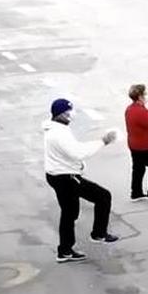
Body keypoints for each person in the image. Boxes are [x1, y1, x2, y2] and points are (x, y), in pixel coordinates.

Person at [43, 98, 119, 262]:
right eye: (68, 113)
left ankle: (65, 250)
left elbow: (74, 150)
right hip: (66, 177)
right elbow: (78, 153)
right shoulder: (59, 134)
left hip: (56, 175)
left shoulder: (56, 128)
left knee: (69, 213)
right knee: (103, 196)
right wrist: (103, 141)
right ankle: (98, 234)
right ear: (60, 114)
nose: (71, 116)